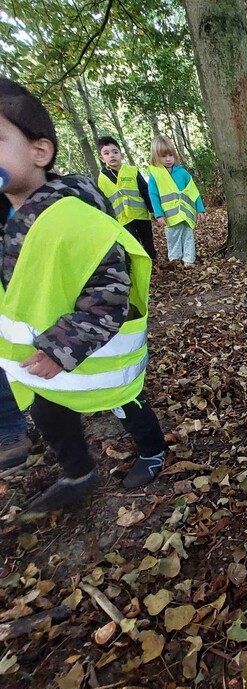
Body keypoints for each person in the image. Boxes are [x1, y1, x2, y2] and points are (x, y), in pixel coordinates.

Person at [0, 78, 168, 513]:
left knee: (125, 403)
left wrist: (64, 345)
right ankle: (76, 472)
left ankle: (153, 451)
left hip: (94, 349)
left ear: (40, 152)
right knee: (51, 416)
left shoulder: (73, 216)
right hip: (36, 360)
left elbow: (109, 290)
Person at [97, 136, 157, 259]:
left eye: (115, 152)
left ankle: (153, 260)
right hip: (122, 219)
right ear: (102, 158)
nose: (112, 156)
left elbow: (145, 190)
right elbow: (102, 202)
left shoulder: (132, 171)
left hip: (140, 214)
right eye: (107, 153)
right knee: (132, 244)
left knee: (147, 239)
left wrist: (153, 209)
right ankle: (138, 264)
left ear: (122, 155)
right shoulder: (101, 179)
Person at [148, 135, 205, 266]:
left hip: (186, 214)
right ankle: (175, 260)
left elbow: (193, 191)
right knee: (173, 237)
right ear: (156, 156)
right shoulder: (155, 175)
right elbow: (153, 195)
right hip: (170, 216)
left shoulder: (183, 173)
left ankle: (189, 260)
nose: (168, 159)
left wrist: (200, 209)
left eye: (170, 155)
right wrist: (159, 214)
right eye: (163, 156)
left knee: (188, 236)